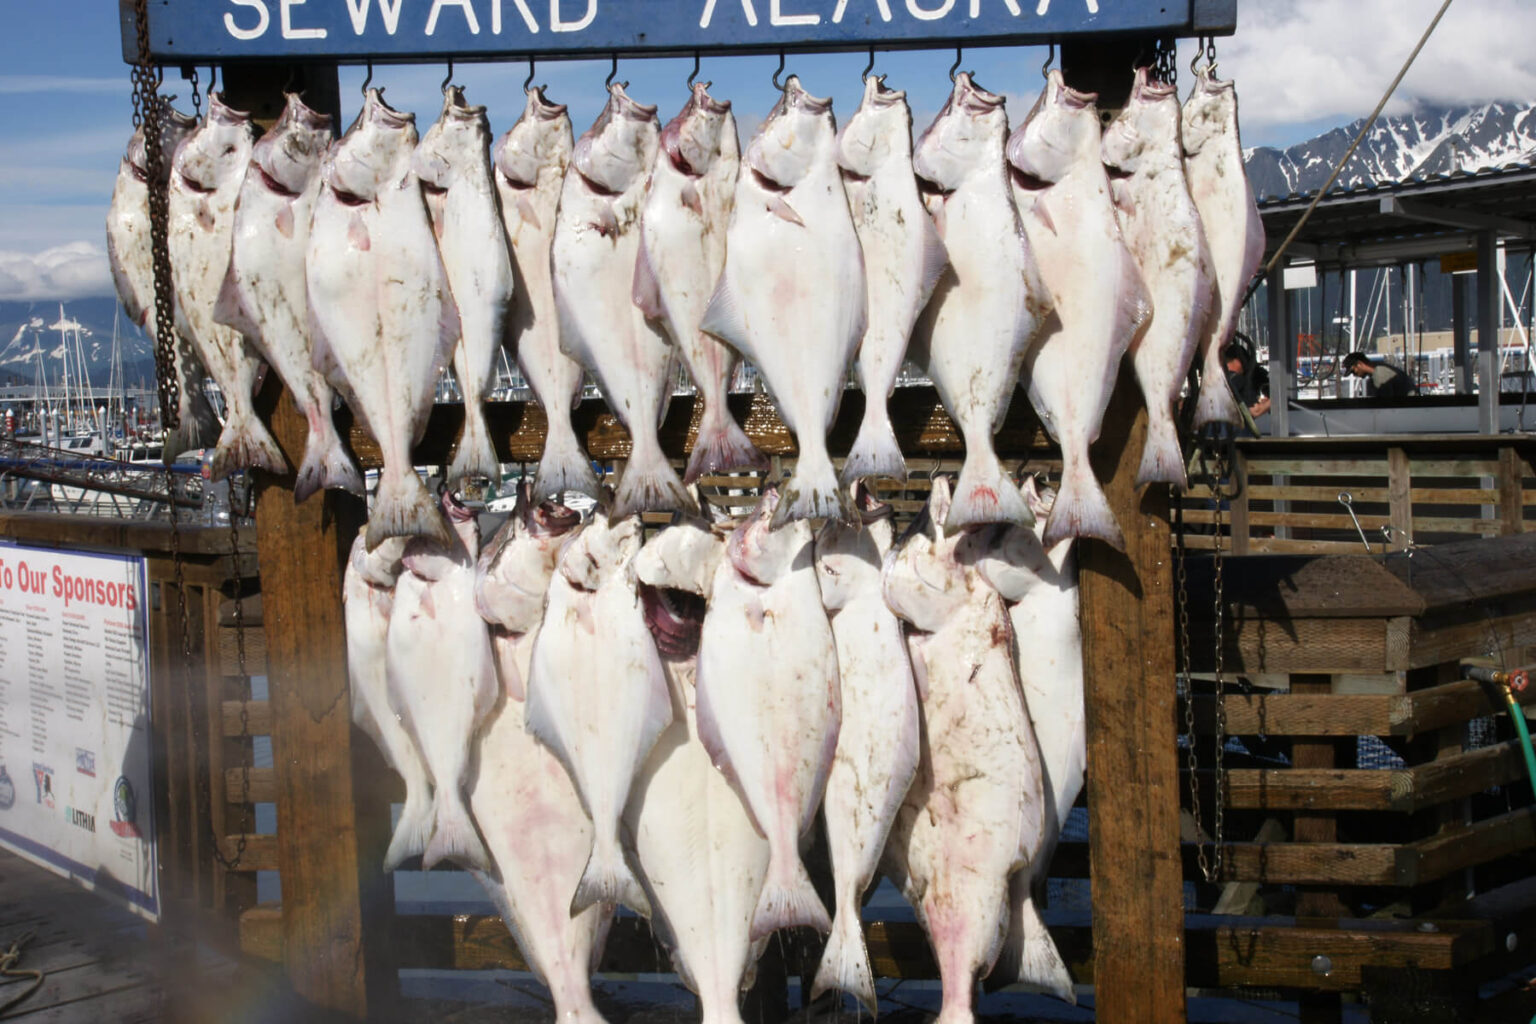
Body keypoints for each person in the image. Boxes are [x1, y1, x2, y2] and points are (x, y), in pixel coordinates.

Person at [1222, 342, 1270, 421]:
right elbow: (1255, 411)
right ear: (1237, 361)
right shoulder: (1238, 380)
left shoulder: (1221, 380)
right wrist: (1274, 399)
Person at [1343, 352, 1417, 399]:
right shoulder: (1379, 368)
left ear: (1359, 364)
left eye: (1353, 371)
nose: (1354, 375)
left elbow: (1385, 403)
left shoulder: (1380, 374)